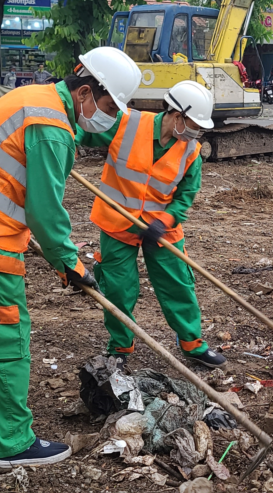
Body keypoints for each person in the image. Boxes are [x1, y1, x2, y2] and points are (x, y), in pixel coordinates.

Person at [0, 46, 140, 469]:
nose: (107, 117)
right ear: (85, 92)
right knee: (0, 344)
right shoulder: (52, 129)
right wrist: (69, 263)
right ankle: (11, 442)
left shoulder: (34, 100)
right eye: (107, 107)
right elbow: (46, 212)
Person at [78, 81, 226, 367]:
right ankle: (121, 347)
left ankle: (192, 343)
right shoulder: (126, 124)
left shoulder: (191, 151)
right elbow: (83, 133)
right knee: (118, 288)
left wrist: (166, 219)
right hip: (118, 223)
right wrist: (60, 146)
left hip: (161, 229)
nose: (198, 132)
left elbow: (185, 195)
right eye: (195, 124)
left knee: (178, 284)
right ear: (177, 114)